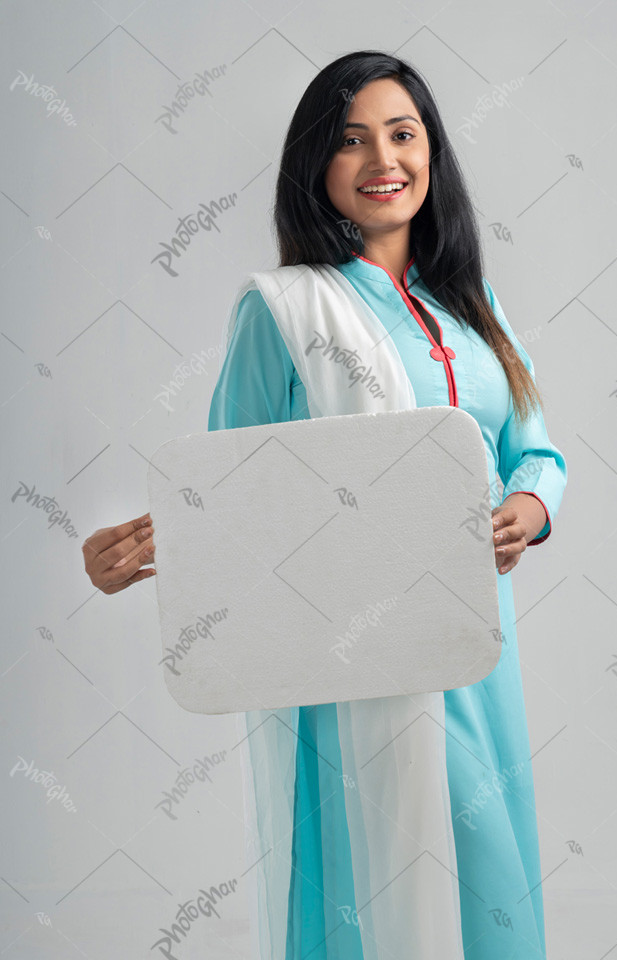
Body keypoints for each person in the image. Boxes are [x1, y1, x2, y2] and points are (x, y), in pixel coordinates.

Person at [83, 51, 567, 959]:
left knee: (492, 875)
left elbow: (536, 450)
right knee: (372, 881)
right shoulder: (284, 311)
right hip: (353, 655)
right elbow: (230, 493)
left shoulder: (472, 306)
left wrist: (532, 509)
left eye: (402, 133)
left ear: (433, 154)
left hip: (477, 644)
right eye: (350, 141)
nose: (381, 158)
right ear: (316, 166)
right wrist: (142, 555)